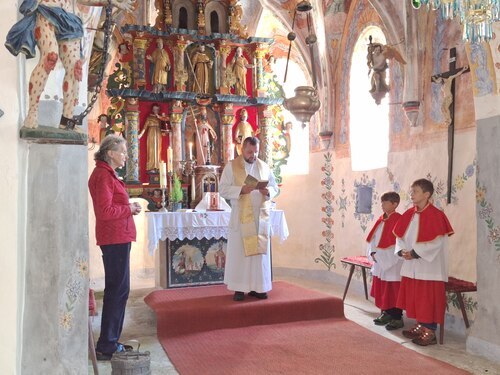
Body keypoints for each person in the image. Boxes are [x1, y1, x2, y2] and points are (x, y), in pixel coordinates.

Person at [5, 0, 135, 131]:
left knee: (75, 68)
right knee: (50, 57)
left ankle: (67, 120)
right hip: (46, 10)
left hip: (68, 19)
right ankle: (32, 113)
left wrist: (111, 2)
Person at [88, 135, 142, 360]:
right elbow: (105, 212)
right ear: (110, 153)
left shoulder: (107, 174)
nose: (126, 156)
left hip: (118, 237)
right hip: (114, 238)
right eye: (123, 151)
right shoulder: (103, 176)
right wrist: (129, 209)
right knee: (116, 291)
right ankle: (107, 345)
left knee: (119, 291)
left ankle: (110, 342)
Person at [393, 178, 454, 346]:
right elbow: (400, 236)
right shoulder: (408, 214)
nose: (411, 194)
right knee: (416, 297)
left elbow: (437, 242)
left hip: (429, 266)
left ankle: (430, 331)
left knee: (428, 298)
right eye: (412, 191)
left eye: (415, 191)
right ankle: (421, 324)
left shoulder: (437, 215)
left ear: (427, 194)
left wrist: (415, 252)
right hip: (411, 264)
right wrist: (402, 251)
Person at [219, 136, 278, 301]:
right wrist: (240, 190)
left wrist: (269, 192)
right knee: (241, 254)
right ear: (242, 150)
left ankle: (259, 287)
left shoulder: (264, 166)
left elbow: (274, 186)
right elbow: (222, 190)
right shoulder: (231, 167)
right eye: (250, 152)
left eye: (256, 152)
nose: (253, 155)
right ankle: (239, 288)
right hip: (241, 216)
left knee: (258, 254)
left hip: (260, 217)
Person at [366, 192, 403, 331]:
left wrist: (382, 255)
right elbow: (373, 239)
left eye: (385, 202)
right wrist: (373, 253)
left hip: (393, 262)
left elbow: (399, 241)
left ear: (394, 204)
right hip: (380, 260)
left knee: (393, 289)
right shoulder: (381, 220)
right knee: (383, 288)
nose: (382, 205)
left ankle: (397, 317)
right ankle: (386, 313)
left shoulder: (399, 220)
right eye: (382, 202)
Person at [139, 103, 167, 171]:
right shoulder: (149, 117)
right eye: (154, 109)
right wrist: (140, 135)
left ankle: (157, 165)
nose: (155, 111)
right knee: (151, 149)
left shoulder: (160, 118)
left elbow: (165, 125)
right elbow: (145, 128)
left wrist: (160, 117)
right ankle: (151, 166)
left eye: (157, 109)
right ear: (152, 110)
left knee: (158, 149)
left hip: (158, 133)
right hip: (151, 133)